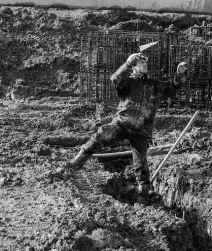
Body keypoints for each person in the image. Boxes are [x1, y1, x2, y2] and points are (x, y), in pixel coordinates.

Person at [67, 52, 188, 205]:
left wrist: (180, 73)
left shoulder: (155, 86)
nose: (144, 65)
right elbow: (115, 79)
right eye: (140, 63)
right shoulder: (128, 83)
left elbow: (173, 87)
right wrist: (127, 63)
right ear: (134, 67)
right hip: (122, 123)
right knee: (101, 136)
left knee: (140, 162)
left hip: (142, 130)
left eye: (145, 63)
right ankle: (77, 161)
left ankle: (142, 194)